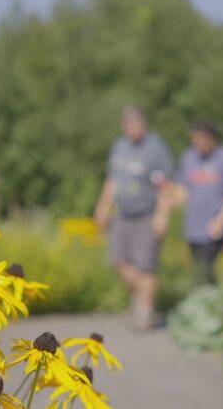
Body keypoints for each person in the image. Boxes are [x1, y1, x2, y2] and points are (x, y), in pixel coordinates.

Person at [94, 106, 173, 330]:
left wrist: (162, 215)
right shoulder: (119, 146)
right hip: (122, 215)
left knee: (146, 266)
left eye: (136, 123)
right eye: (128, 124)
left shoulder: (155, 148)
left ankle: (144, 312)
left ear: (143, 124)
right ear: (123, 126)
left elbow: (165, 185)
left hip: (147, 215)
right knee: (118, 260)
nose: (132, 128)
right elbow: (112, 180)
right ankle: (141, 297)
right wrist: (102, 207)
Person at [174, 120, 223, 284]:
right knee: (198, 272)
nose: (198, 144)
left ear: (212, 138)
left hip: (215, 229)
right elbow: (182, 190)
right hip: (193, 228)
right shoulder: (189, 156)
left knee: (210, 272)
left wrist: (221, 220)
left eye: (201, 139)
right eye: (195, 139)